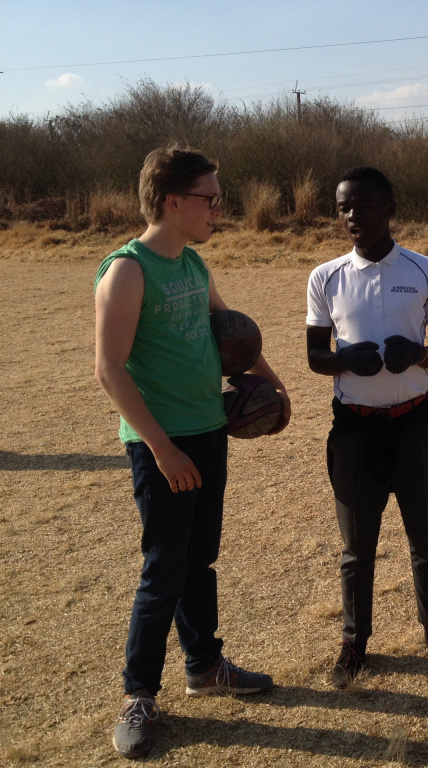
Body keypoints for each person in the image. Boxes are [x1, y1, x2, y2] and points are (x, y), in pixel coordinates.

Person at [94, 144, 291, 760]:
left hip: (209, 432)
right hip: (164, 445)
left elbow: (229, 329)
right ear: (173, 200)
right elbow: (109, 369)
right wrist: (161, 449)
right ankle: (138, 696)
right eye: (210, 197)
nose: (219, 208)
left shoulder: (194, 265)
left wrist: (271, 380)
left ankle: (205, 667)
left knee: (198, 561)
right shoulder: (127, 270)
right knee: (162, 572)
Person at [305, 165, 428, 687]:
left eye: (364, 205)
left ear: (390, 207)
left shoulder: (426, 271)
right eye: (343, 207)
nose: (353, 216)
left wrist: (418, 354)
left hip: (416, 424)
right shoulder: (325, 277)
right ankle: (355, 641)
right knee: (357, 546)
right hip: (353, 429)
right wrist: (343, 360)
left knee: (424, 535)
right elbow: (314, 356)